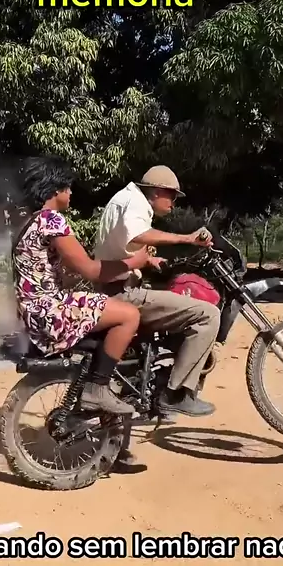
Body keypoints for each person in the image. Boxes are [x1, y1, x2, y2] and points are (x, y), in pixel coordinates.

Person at [13, 155, 157, 419]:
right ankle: (97, 388)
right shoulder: (51, 220)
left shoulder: (28, 221)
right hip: (48, 312)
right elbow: (90, 269)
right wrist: (134, 262)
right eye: (67, 187)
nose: (70, 192)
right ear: (53, 189)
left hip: (32, 312)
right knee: (129, 315)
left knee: (104, 306)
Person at [94, 165, 221, 418]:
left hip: (114, 286)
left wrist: (150, 261)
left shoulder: (126, 198)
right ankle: (176, 394)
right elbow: (139, 234)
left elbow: (122, 241)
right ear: (156, 192)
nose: (173, 203)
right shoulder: (136, 202)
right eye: (172, 196)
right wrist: (187, 239)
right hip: (122, 293)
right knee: (208, 314)